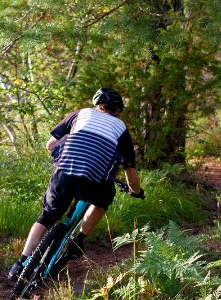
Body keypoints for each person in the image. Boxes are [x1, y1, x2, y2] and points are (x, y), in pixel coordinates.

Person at [8, 87, 141, 281]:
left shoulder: (80, 114)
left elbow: (50, 145)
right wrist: (135, 191)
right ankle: (79, 240)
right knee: (103, 199)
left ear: (96, 105)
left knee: (46, 217)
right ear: (118, 110)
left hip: (65, 175)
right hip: (95, 181)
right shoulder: (120, 127)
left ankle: (20, 263)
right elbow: (130, 169)